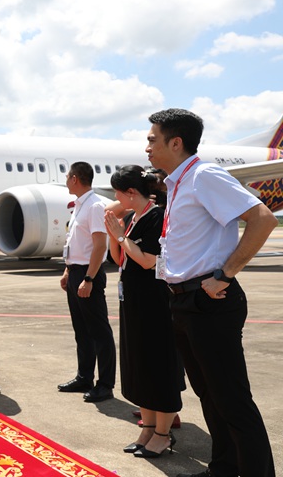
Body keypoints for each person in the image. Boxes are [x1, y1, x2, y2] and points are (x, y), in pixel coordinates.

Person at [145, 108, 277, 477]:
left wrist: (225, 274)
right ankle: (224, 467)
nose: (147, 148)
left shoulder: (204, 175)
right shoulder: (177, 183)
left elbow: (262, 219)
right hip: (184, 301)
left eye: (152, 140)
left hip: (210, 300)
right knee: (210, 397)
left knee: (232, 401)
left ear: (176, 142)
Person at [103, 166, 183, 458]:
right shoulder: (135, 217)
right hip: (134, 302)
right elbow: (118, 258)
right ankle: (147, 428)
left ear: (131, 193)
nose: (114, 197)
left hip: (154, 303)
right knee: (140, 364)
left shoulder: (157, 216)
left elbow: (149, 261)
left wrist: (121, 236)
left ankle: (163, 434)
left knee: (158, 365)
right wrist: (116, 236)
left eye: (117, 192)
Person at [58, 162, 116, 403]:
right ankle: (84, 376)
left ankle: (105, 384)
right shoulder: (80, 205)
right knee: (81, 330)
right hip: (76, 271)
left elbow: (99, 245)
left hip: (88, 273)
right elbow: (76, 243)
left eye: (68, 176)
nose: (66, 180)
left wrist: (89, 278)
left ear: (75, 178)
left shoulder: (94, 206)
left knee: (98, 331)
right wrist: (67, 270)